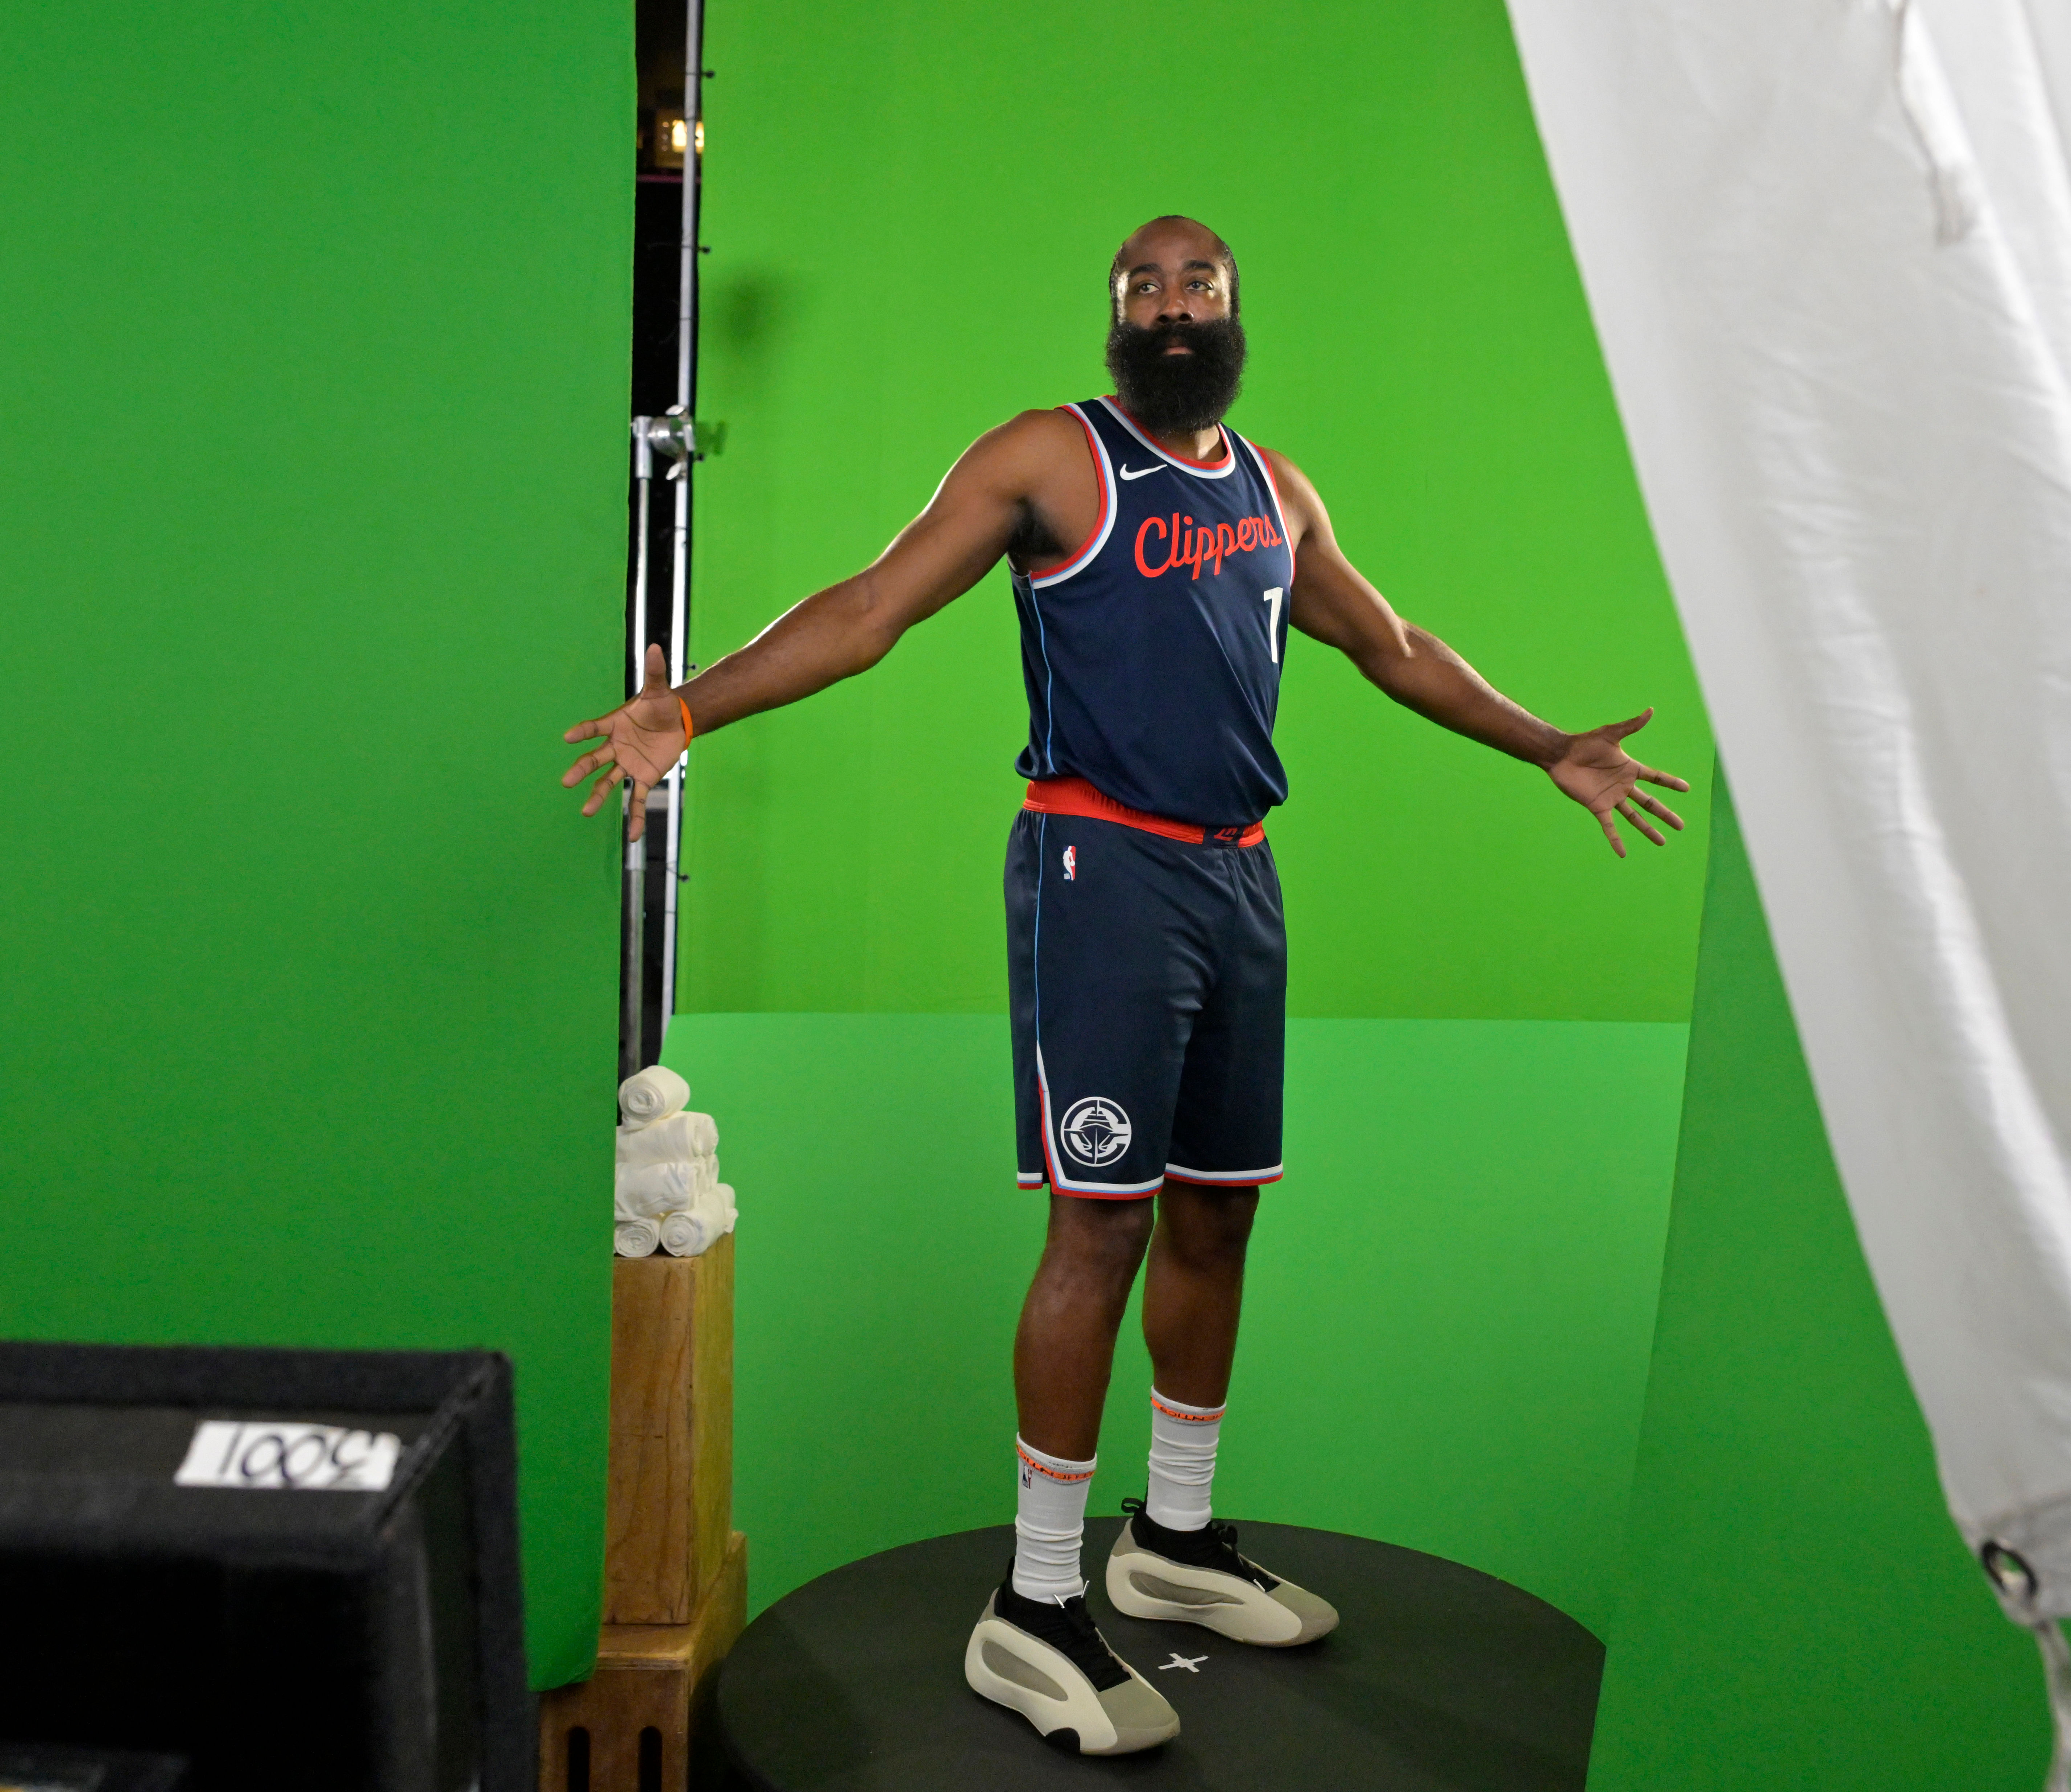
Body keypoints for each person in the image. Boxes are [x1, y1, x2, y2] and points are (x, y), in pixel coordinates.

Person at [560, 215, 1688, 1756]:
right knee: (1103, 1225)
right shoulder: (1050, 459)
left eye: (1195, 285)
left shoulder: (1277, 490)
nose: (1168, 306)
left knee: (1220, 1209)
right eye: (1140, 288)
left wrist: (1547, 741)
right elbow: (870, 609)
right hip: (1103, 876)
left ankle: (1175, 1540)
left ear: (1234, 310)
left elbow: (1397, 643)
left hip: (1239, 875)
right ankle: (1031, 1606)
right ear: (1114, 319)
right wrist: (691, 707)